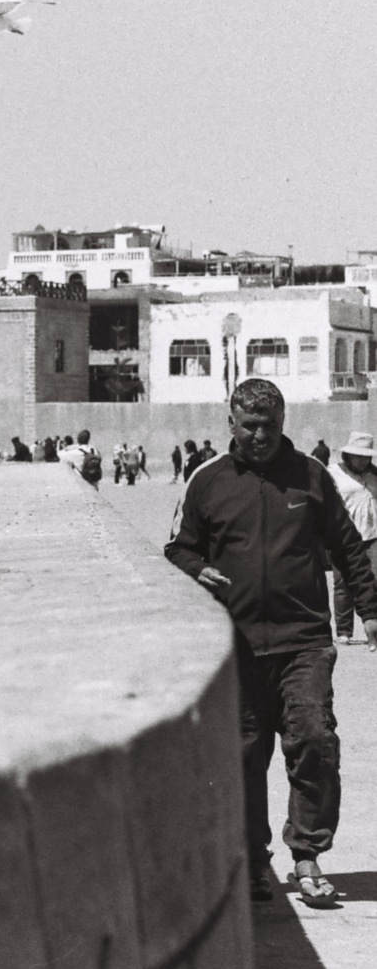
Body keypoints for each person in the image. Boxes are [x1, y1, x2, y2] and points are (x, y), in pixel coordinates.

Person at [165, 379, 377, 909]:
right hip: (234, 643)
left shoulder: (311, 476)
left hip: (303, 639)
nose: (261, 436)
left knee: (314, 741)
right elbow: (178, 549)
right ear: (231, 424)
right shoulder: (207, 480)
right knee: (242, 755)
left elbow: (348, 548)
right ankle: (255, 860)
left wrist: (371, 611)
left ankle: (307, 855)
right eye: (250, 426)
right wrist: (197, 568)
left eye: (271, 426)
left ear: (284, 424)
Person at [328, 432, 377, 645]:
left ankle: (373, 628)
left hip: (372, 534)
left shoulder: (374, 474)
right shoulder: (333, 472)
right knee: (343, 583)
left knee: (374, 580)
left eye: (366, 456)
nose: (362, 460)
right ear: (348, 455)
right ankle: (344, 631)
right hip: (343, 536)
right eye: (358, 456)